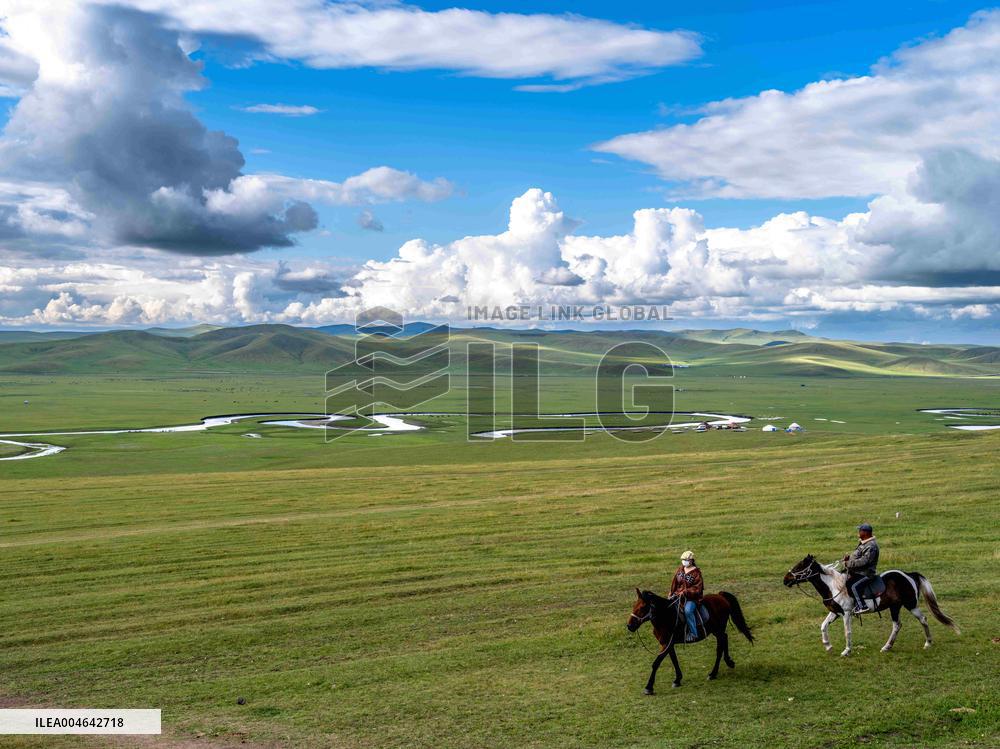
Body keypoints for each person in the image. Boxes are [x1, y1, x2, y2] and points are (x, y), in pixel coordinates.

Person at [843, 523, 880, 614]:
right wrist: (849, 559)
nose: (858, 532)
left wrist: (849, 563)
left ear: (866, 533)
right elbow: (859, 556)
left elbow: (865, 561)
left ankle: (862, 606)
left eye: (860, 531)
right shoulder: (864, 543)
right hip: (859, 572)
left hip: (866, 574)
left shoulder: (871, 546)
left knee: (854, 587)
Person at [670, 550, 704, 642]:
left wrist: (685, 592)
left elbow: (698, 588)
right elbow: (674, 582)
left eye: (686, 560)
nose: (684, 561)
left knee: (688, 611)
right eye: (683, 560)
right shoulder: (680, 569)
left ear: (691, 561)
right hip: (678, 595)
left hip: (692, 598)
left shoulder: (696, 573)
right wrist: (671, 593)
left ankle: (693, 633)